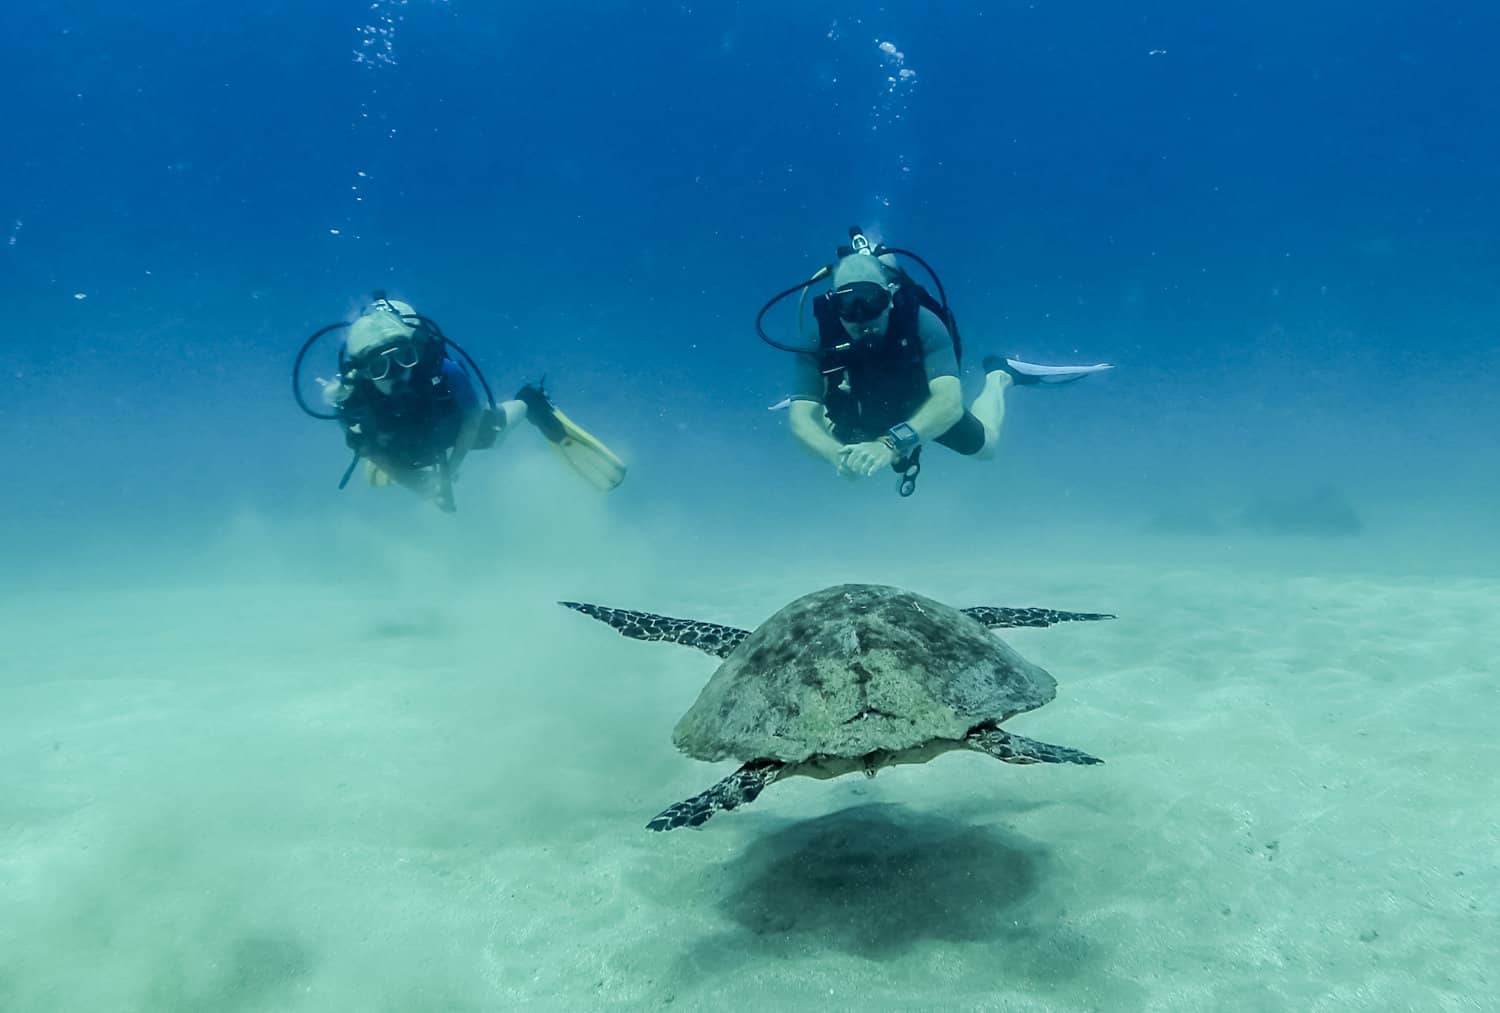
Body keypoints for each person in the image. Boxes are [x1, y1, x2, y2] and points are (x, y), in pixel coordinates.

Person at [757, 228, 1112, 495]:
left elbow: (948, 403)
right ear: (834, 305)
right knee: (823, 423)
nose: (862, 318)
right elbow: (802, 422)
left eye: (873, 302)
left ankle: (1002, 375)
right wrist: (836, 456)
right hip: (858, 406)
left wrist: (889, 445)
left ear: (892, 298)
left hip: (921, 400)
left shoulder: (923, 322)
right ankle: (824, 395)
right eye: (848, 307)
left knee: (986, 448)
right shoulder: (819, 339)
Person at [294, 293, 625, 511]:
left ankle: (530, 402)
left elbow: (471, 419)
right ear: (364, 374)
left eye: (405, 358)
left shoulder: (443, 370)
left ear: (417, 353)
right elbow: (365, 448)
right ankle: (403, 457)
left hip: (450, 422)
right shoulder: (353, 400)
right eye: (381, 367)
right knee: (386, 450)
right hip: (396, 437)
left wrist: (452, 469)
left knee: (491, 433)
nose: (397, 373)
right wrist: (421, 489)